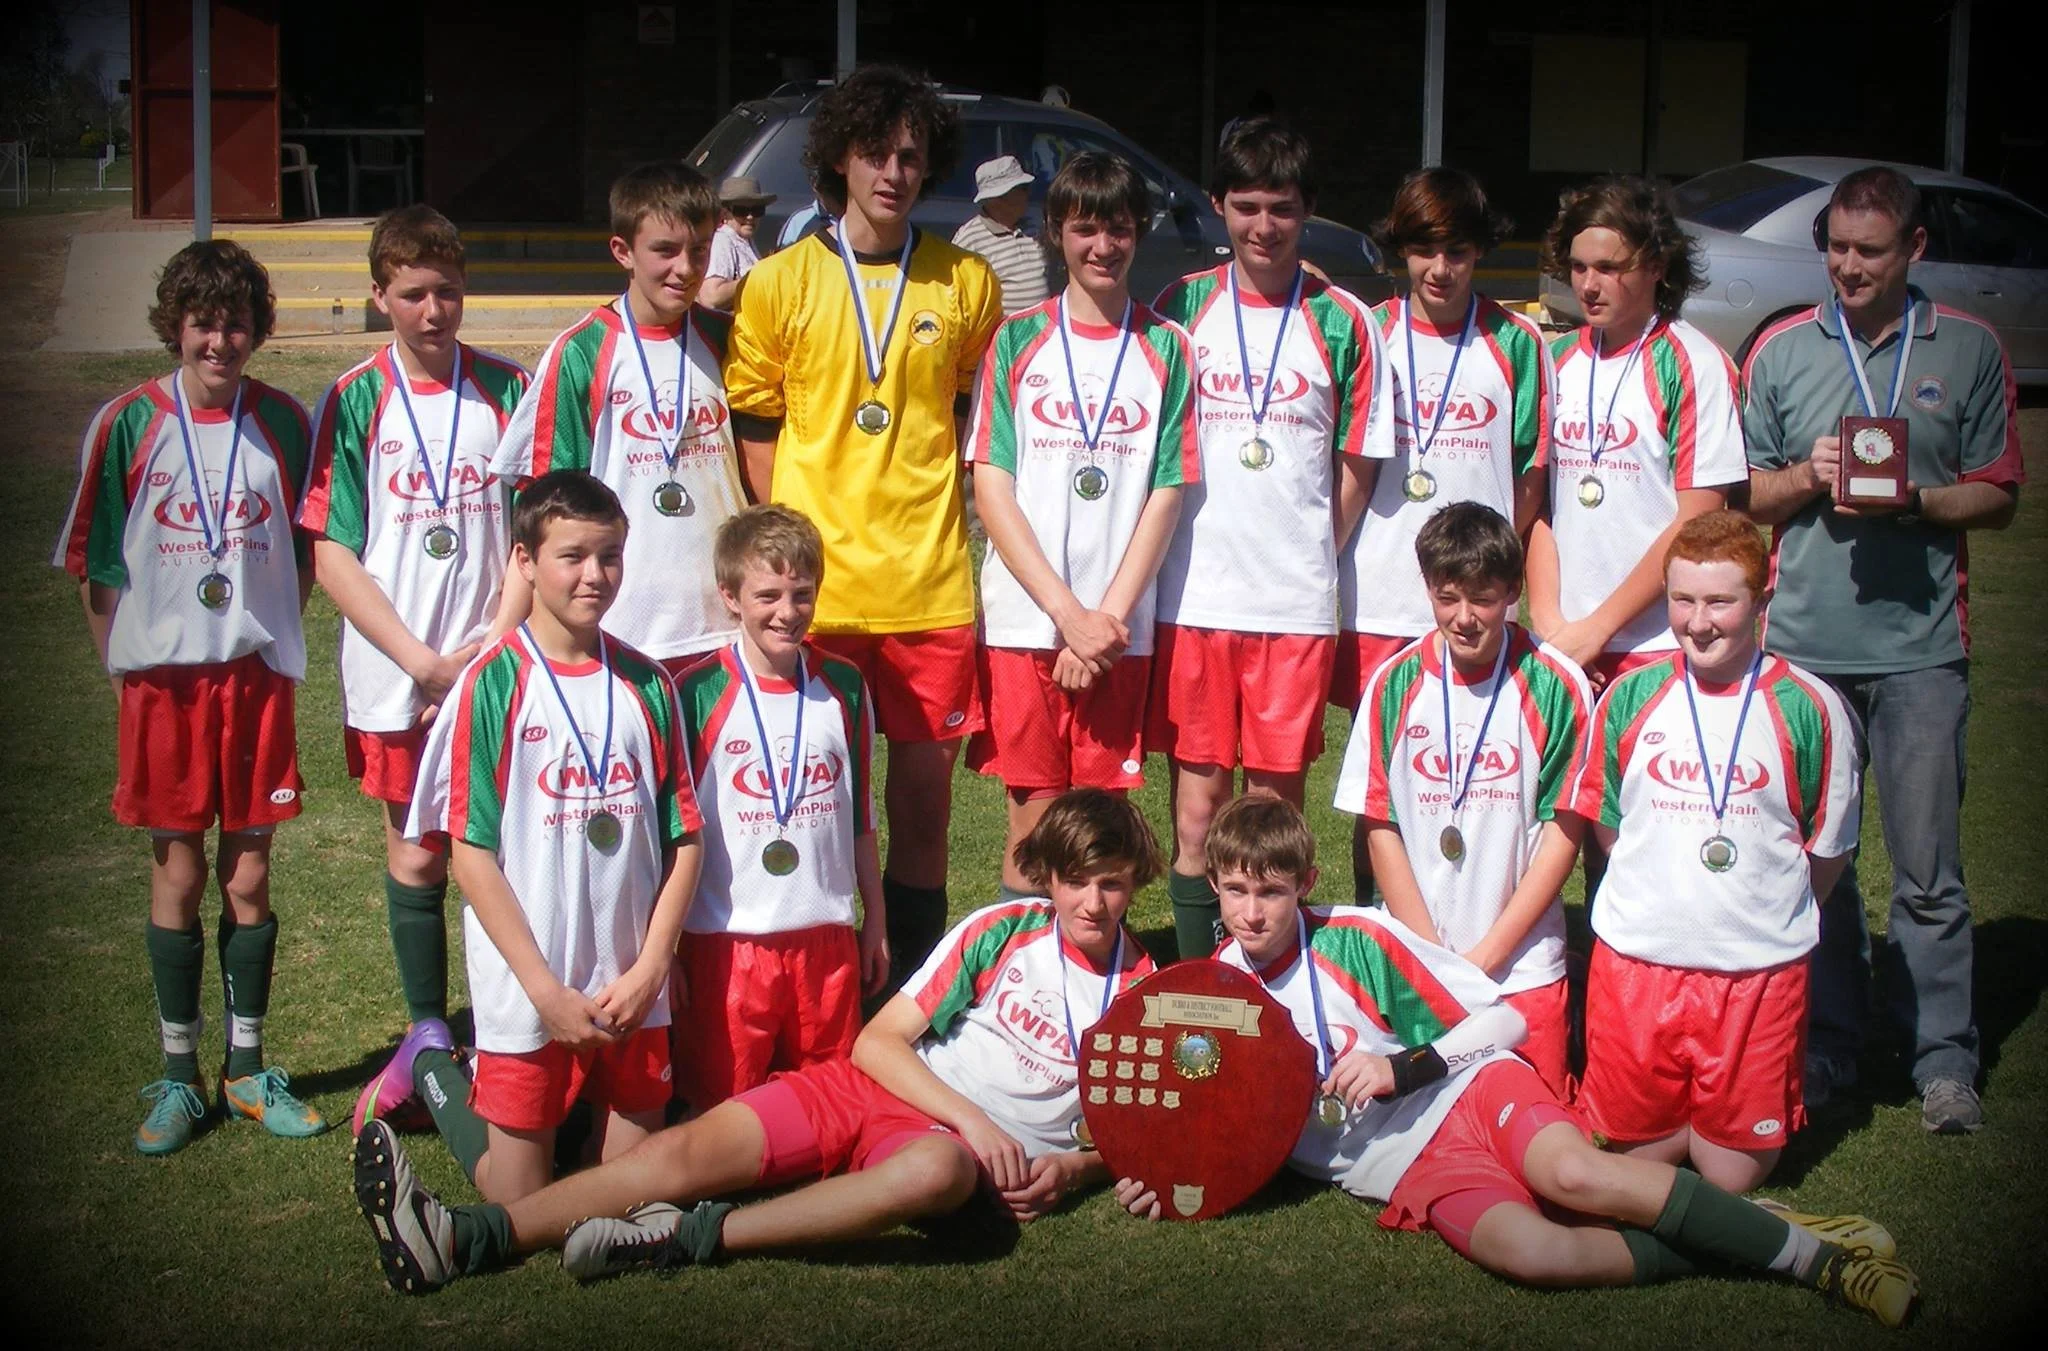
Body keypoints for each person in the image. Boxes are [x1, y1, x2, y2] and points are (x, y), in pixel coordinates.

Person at [1113, 795, 1917, 1329]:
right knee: (1537, 1254)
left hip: (1463, 1094)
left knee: (1575, 1177)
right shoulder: (1202, 998)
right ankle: (1752, 1227)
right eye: (1235, 891)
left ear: (1306, 884)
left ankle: (1823, 1264)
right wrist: (1159, 1172)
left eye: (1272, 892)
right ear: (1212, 887)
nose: (1253, 912)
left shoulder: (1356, 938)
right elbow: (1196, 1122)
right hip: (1405, 1169)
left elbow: (1503, 1019)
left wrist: (1404, 1068)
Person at [351, 789, 1159, 1292]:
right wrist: (976, 1118)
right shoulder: (1004, 928)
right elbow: (878, 1044)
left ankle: (690, 1234)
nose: (1092, 902)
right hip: (879, 1088)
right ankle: (463, 1235)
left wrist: (1075, 1167)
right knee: (680, 1151)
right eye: (1075, 880)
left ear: (1135, 885)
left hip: (946, 1155)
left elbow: (1144, 1133)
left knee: (935, 1171)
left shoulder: (1146, 995)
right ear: (1048, 877)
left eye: (1112, 883)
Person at [1741, 165, 2023, 1132]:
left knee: (1929, 872)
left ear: (1914, 248)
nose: (1848, 267)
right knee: (1815, 865)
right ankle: (1828, 1043)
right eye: (1837, 248)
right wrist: (1805, 476)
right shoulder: (1781, 347)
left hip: (1920, 652)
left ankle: (1943, 1059)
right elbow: (1742, 495)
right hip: (1802, 650)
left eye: (1869, 250)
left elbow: (2000, 491)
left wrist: (1921, 498)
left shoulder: (1969, 346)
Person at [725, 65, 1006, 987]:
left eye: (911, 156)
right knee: (810, 808)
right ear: (840, 159)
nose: (893, 172)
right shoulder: (779, 282)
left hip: (928, 587)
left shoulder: (967, 282)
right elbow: (755, 424)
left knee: (923, 811)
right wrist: (789, 549)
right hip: (818, 599)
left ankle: (912, 996)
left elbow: (965, 418)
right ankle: (816, 989)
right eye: (875, 153)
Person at [54, 239, 327, 1153]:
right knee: (177, 874)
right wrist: (123, 672)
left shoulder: (284, 421)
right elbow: (96, 565)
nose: (220, 341)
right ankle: (179, 1075)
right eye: (204, 323)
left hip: (252, 680)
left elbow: (305, 553)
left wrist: (271, 633)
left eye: (237, 322)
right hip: (163, 687)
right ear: (175, 325)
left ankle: (246, 1069)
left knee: (248, 875)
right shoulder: (129, 421)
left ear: (258, 328)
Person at [372, 470, 703, 1204]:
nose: (595, 575)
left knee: (629, 1199)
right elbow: (470, 856)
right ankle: (431, 1067)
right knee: (517, 1206)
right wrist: (545, 991)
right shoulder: (491, 684)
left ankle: (583, 1125)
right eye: (572, 556)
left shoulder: (649, 684)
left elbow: (685, 839)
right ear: (524, 560)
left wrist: (654, 964)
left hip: (628, 986)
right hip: (530, 988)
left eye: (610, 556)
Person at [298, 207, 530, 1126]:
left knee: (513, 849)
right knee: (416, 852)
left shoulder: (507, 389)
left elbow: (535, 535)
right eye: (414, 294)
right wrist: (422, 662)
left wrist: (492, 648)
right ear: (379, 296)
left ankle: (513, 1028)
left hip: (498, 664)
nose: (434, 311)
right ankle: (430, 1033)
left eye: (449, 292)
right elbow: (332, 550)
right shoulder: (355, 398)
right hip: (399, 672)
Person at [1147, 117, 1393, 960]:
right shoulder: (1180, 308)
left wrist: (1309, 547)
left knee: (1273, 815)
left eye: (1282, 208)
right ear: (1218, 205)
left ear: (1307, 211)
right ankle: (1198, 982)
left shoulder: (1345, 320)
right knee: (1197, 813)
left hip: (1292, 606)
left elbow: (1358, 458)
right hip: (1194, 598)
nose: (1263, 226)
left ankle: (1273, 985)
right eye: (1246, 206)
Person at [1565, 512, 1860, 1191]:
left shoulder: (1811, 706)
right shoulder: (1631, 695)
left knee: (1731, 1178)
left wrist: (1764, 914)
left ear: (1761, 600)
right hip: (1640, 967)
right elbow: (1610, 826)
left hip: (1755, 974)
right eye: (1683, 600)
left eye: (1720, 602)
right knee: (1641, 1164)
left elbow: (1826, 850)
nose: (1698, 623)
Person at [967, 151, 1197, 895]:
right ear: (1055, 233)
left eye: (1119, 229)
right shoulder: (1015, 340)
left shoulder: (1168, 347)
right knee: (1032, 824)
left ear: (1140, 233)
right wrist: (1068, 617)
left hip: (1118, 628)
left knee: (1101, 823)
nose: (1104, 246)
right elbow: (992, 486)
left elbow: (1166, 492)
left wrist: (1104, 623)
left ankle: (1094, 968)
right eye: (1085, 229)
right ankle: (1023, 965)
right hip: (1027, 621)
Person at [1334, 167, 1553, 901]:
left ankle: (1478, 917)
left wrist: (1486, 576)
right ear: (1400, 249)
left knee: (1479, 773)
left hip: (1475, 607)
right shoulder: (1369, 332)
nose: (1440, 268)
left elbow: (1529, 474)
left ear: (1479, 251)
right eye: (1424, 249)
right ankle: (1380, 922)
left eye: (1457, 250)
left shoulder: (1516, 341)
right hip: (1379, 600)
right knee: (1383, 784)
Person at [1332, 503, 1589, 1096]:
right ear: (1427, 587)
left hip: (1521, 966)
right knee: (1424, 1125)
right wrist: (1431, 961)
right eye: (1447, 598)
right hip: (1418, 961)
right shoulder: (1393, 683)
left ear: (1513, 592)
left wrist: (1484, 959)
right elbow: (1380, 824)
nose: (1465, 618)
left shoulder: (1557, 685)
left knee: (1535, 1118)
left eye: (1483, 599)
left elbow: (1564, 835)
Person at [670, 505, 888, 1110]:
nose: (787, 612)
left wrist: (875, 919)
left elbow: (860, 818)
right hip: (728, 942)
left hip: (826, 938)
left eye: (802, 594)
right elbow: (673, 832)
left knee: (831, 1108)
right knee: (722, 1115)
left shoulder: (844, 686)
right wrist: (664, 952)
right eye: (767, 595)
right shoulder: (696, 692)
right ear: (730, 596)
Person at [491, 162, 747, 677]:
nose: (685, 268)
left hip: (728, 621)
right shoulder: (581, 352)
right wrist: (501, 640)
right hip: (622, 625)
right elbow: (544, 507)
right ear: (623, 251)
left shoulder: (732, 340)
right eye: (665, 250)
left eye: (699, 250)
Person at [1526, 176, 1745, 690]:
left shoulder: (1694, 363)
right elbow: (1538, 506)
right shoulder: (1554, 359)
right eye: (1578, 267)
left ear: (1656, 266)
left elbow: (1698, 518)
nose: (1588, 285)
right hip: (1563, 644)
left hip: (1658, 645)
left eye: (1609, 268)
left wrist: (1600, 628)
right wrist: (1553, 623)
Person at [952, 154, 1055, 315]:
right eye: (1022, 188)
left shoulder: (1033, 227)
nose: (1028, 194)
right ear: (997, 198)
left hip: (1044, 326)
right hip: (1005, 329)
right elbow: (957, 296)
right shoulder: (970, 239)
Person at [700, 176, 777, 311]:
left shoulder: (744, 240)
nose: (750, 217)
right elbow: (711, 298)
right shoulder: (722, 240)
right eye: (741, 210)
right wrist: (758, 276)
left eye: (757, 210)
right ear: (725, 213)